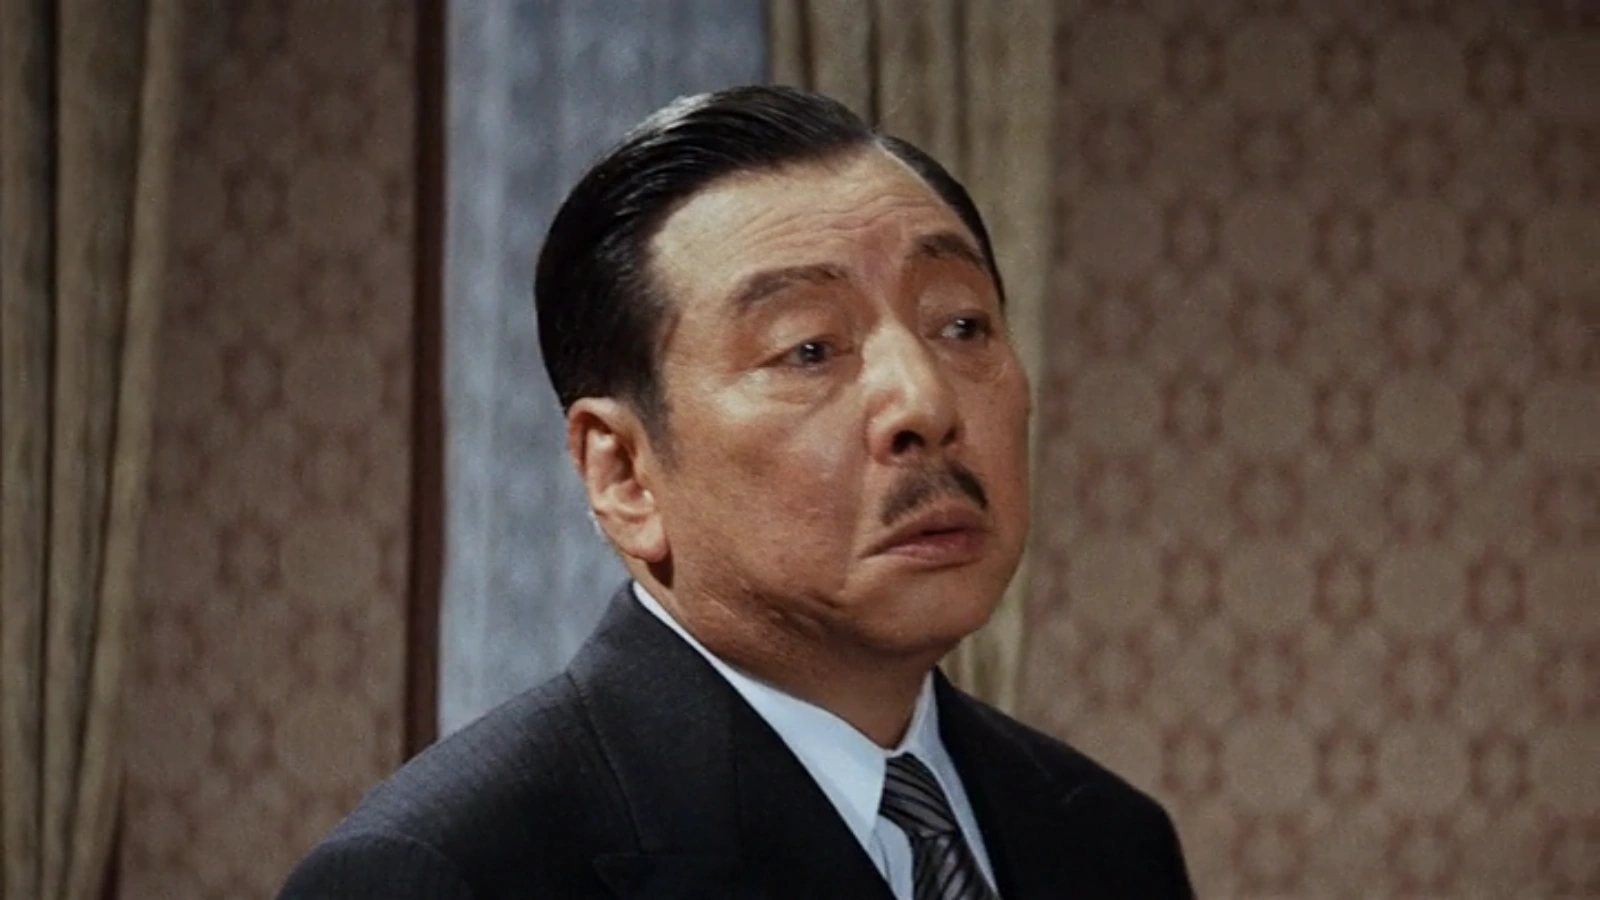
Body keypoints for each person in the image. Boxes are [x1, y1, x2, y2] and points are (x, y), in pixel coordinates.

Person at [279, 85, 1193, 900]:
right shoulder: (441, 872)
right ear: (624, 474)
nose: (924, 403)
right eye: (809, 349)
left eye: (960, 325)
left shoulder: (1108, 840)